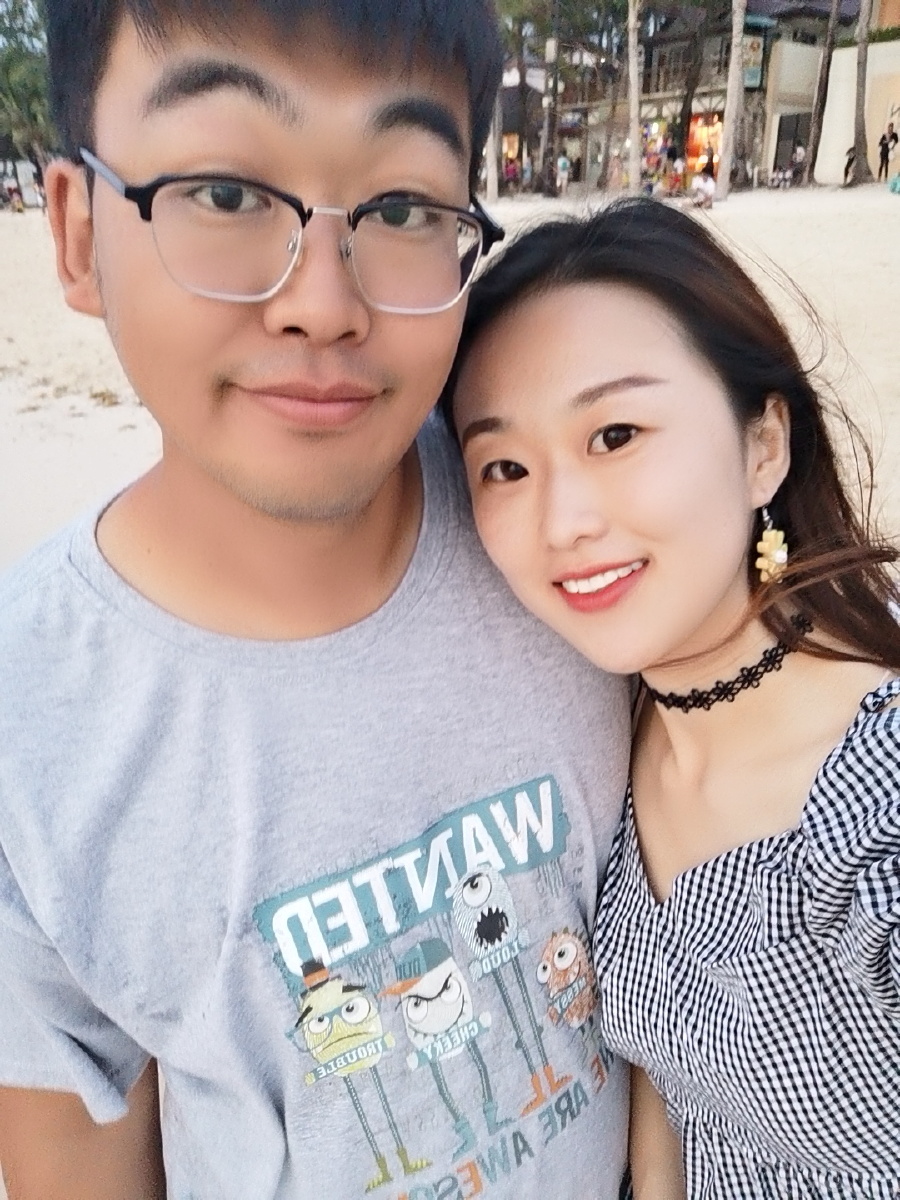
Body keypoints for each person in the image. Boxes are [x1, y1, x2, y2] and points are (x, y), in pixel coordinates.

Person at [0, 2, 634, 1197]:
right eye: (226, 192)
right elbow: (72, 1161)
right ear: (79, 232)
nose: (324, 304)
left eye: (400, 210)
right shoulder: (30, 721)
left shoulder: (571, 548)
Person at [444, 197, 900, 1198]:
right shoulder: (612, 716)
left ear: (763, 447)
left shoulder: (873, 804)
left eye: (615, 434)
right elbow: (669, 1087)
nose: (562, 520)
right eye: (505, 466)